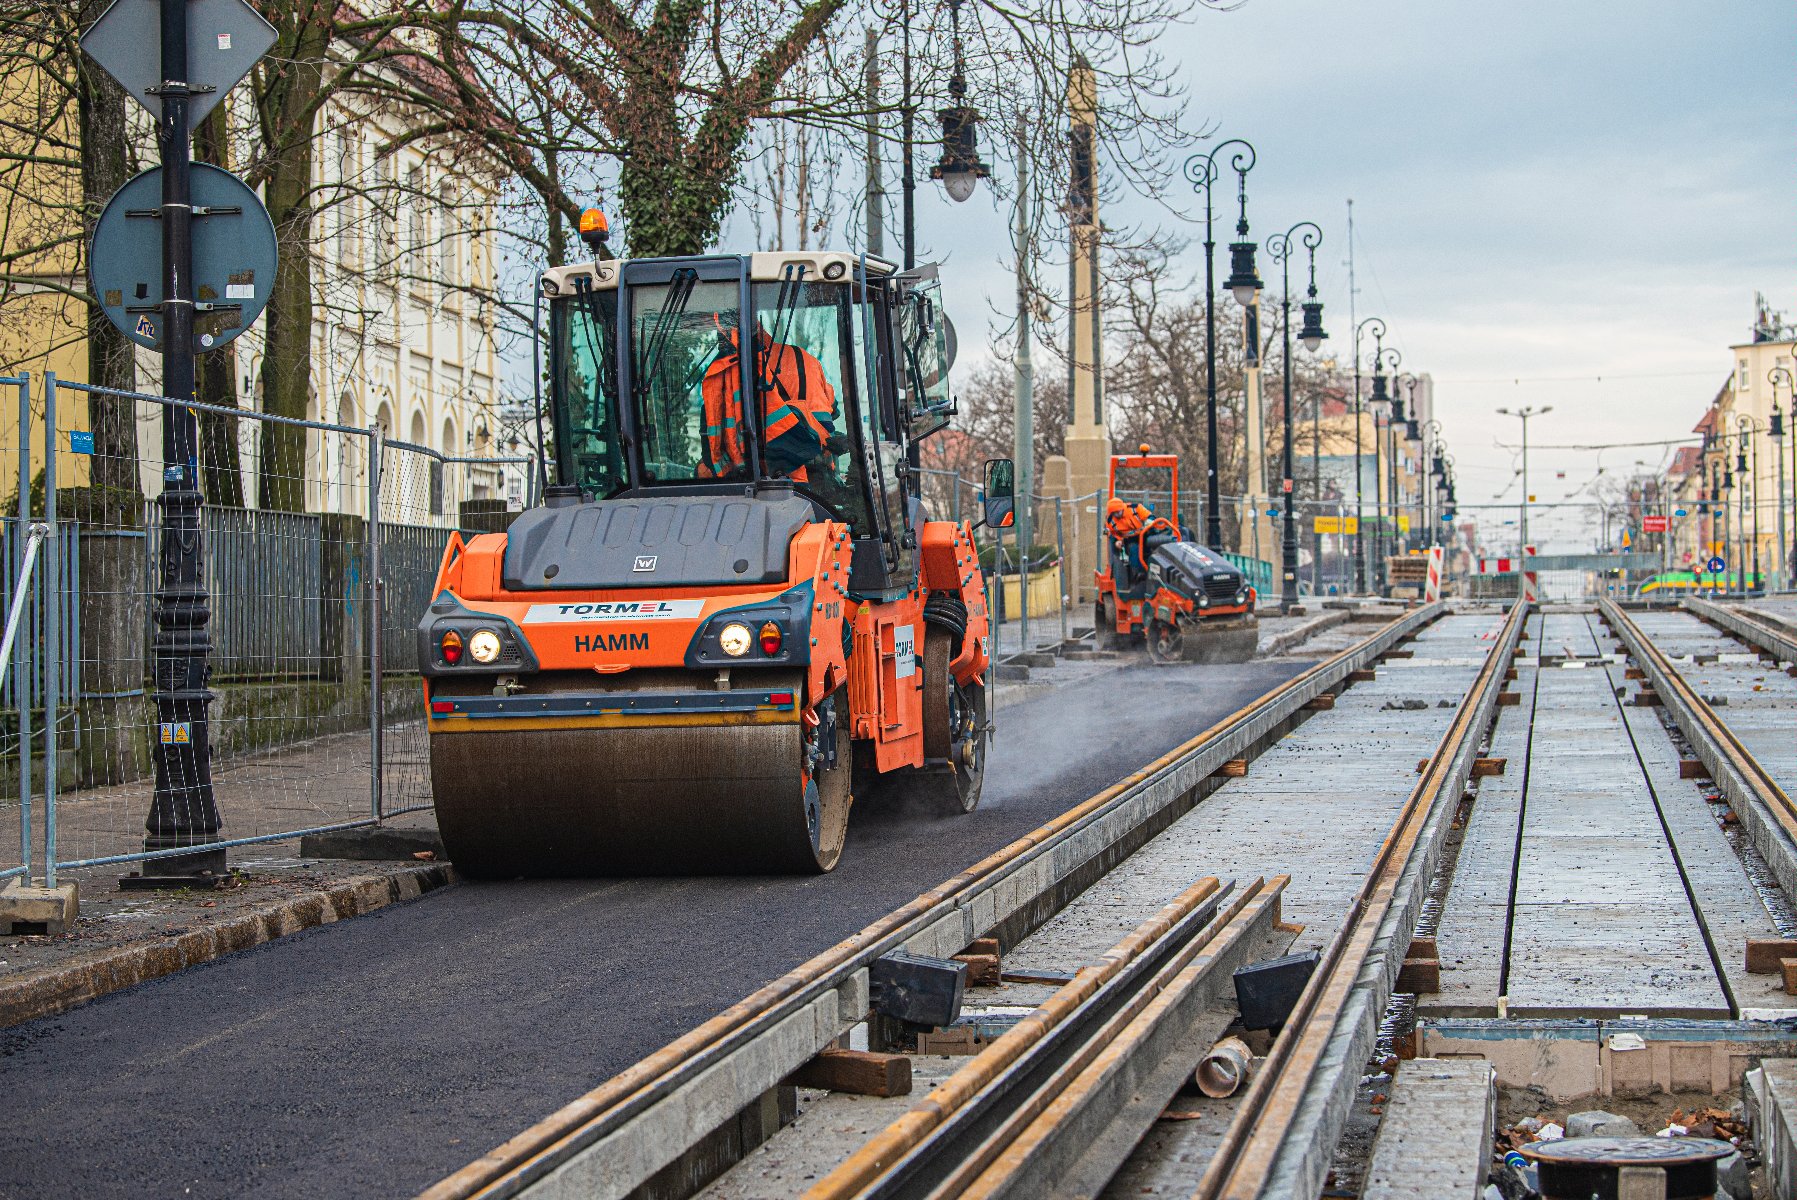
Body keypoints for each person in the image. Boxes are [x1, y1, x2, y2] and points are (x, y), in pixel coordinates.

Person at [698, 320, 837, 483]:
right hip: (818, 476)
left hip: (760, 484)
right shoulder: (804, 358)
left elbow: (714, 455)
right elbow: (832, 406)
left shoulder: (723, 375)